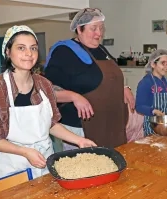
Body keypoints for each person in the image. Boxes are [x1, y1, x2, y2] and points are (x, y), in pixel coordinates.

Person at [0, 25, 96, 180]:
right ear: (7, 52)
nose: (29, 54)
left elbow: (51, 124)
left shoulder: (44, 85)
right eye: (21, 48)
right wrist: (25, 151)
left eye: (33, 48)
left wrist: (79, 140)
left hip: (45, 161)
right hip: (13, 166)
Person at [44, 8, 134, 150]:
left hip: (109, 124)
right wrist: (74, 97)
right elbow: (47, 91)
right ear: (79, 29)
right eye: (93, 28)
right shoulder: (63, 52)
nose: (99, 33)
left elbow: (104, 79)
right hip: (80, 129)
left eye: (101, 28)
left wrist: (122, 88)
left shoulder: (102, 50)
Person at [135, 49, 167, 136]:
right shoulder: (145, 83)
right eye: (163, 63)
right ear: (153, 64)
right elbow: (139, 107)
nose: (166, 66)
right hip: (153, 127)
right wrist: (153, 111)